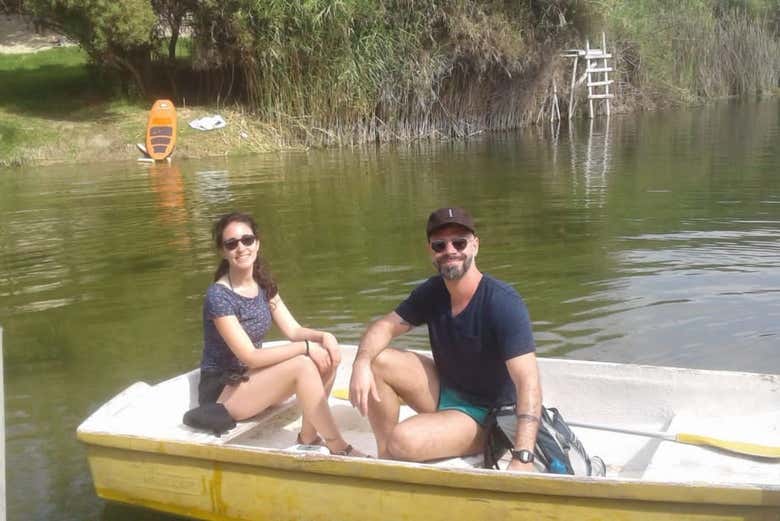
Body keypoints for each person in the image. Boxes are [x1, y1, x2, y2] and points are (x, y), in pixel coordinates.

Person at [348, 207, 541, 471]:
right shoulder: (432, 291)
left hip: (486, 416)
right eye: (440, 245)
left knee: (403, 440)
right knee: (377, 360)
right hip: (447, 391)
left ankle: (398, 450)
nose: (450, 250)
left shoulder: (502, 302)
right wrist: (360, 362)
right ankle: (386, 461)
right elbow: (384, 326)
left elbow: (527, 380)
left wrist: (523, 456)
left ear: (475, 245)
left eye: (459, 242)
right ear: (431, 251)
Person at [190, 211, 366, 457]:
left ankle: (308, 436)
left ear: (257, 242)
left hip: (253, 380)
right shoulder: (218, 296)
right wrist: (306, 347)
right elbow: (250, 356)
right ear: (223, 251)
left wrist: (323, 337)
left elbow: (293, 330)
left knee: (325, 355)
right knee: (303, 364)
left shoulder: (263, 284)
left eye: (247, 240)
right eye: (232, 243)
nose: (241, 248)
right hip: (223, 393)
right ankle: (339, 447)